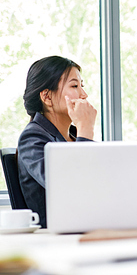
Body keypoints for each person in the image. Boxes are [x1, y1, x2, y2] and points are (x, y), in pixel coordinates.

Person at [17, 56, 97, 228]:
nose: (84, 95)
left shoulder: (74, 137)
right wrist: (85, 129)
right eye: (75, 86)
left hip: (89, 225)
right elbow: (71, 186)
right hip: (60, 236)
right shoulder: (32, 138)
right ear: (47, 97)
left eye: (81, 86)